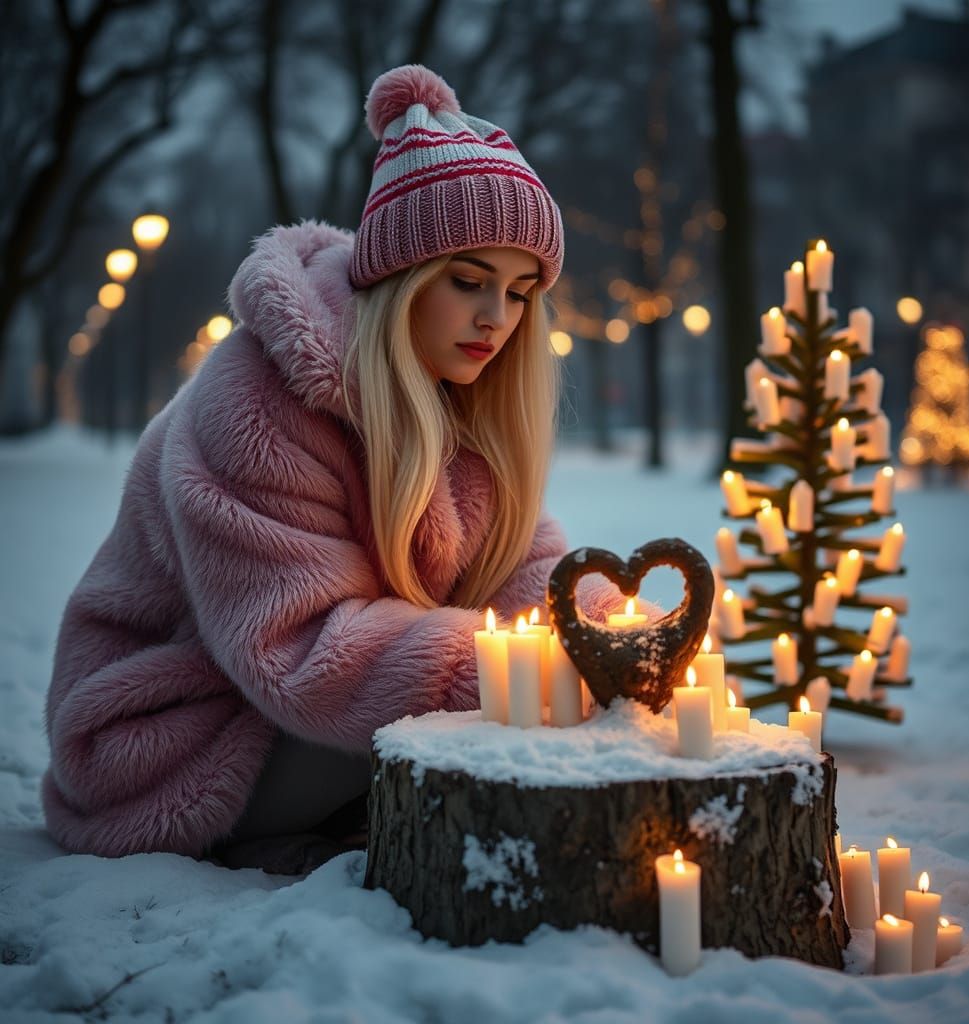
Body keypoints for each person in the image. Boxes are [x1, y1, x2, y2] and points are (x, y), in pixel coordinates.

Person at [41, 65, 638, 873]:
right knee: (504, 720)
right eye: (468, 282)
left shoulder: (456, 390)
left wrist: (612, 629)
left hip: (303, 722)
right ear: (399, 278)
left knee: (551, 711)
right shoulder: (255, 403)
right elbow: (302, 653)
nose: (497, 317)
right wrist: (526, 667)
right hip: (172, 737)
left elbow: (519, 565)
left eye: (521, 290)